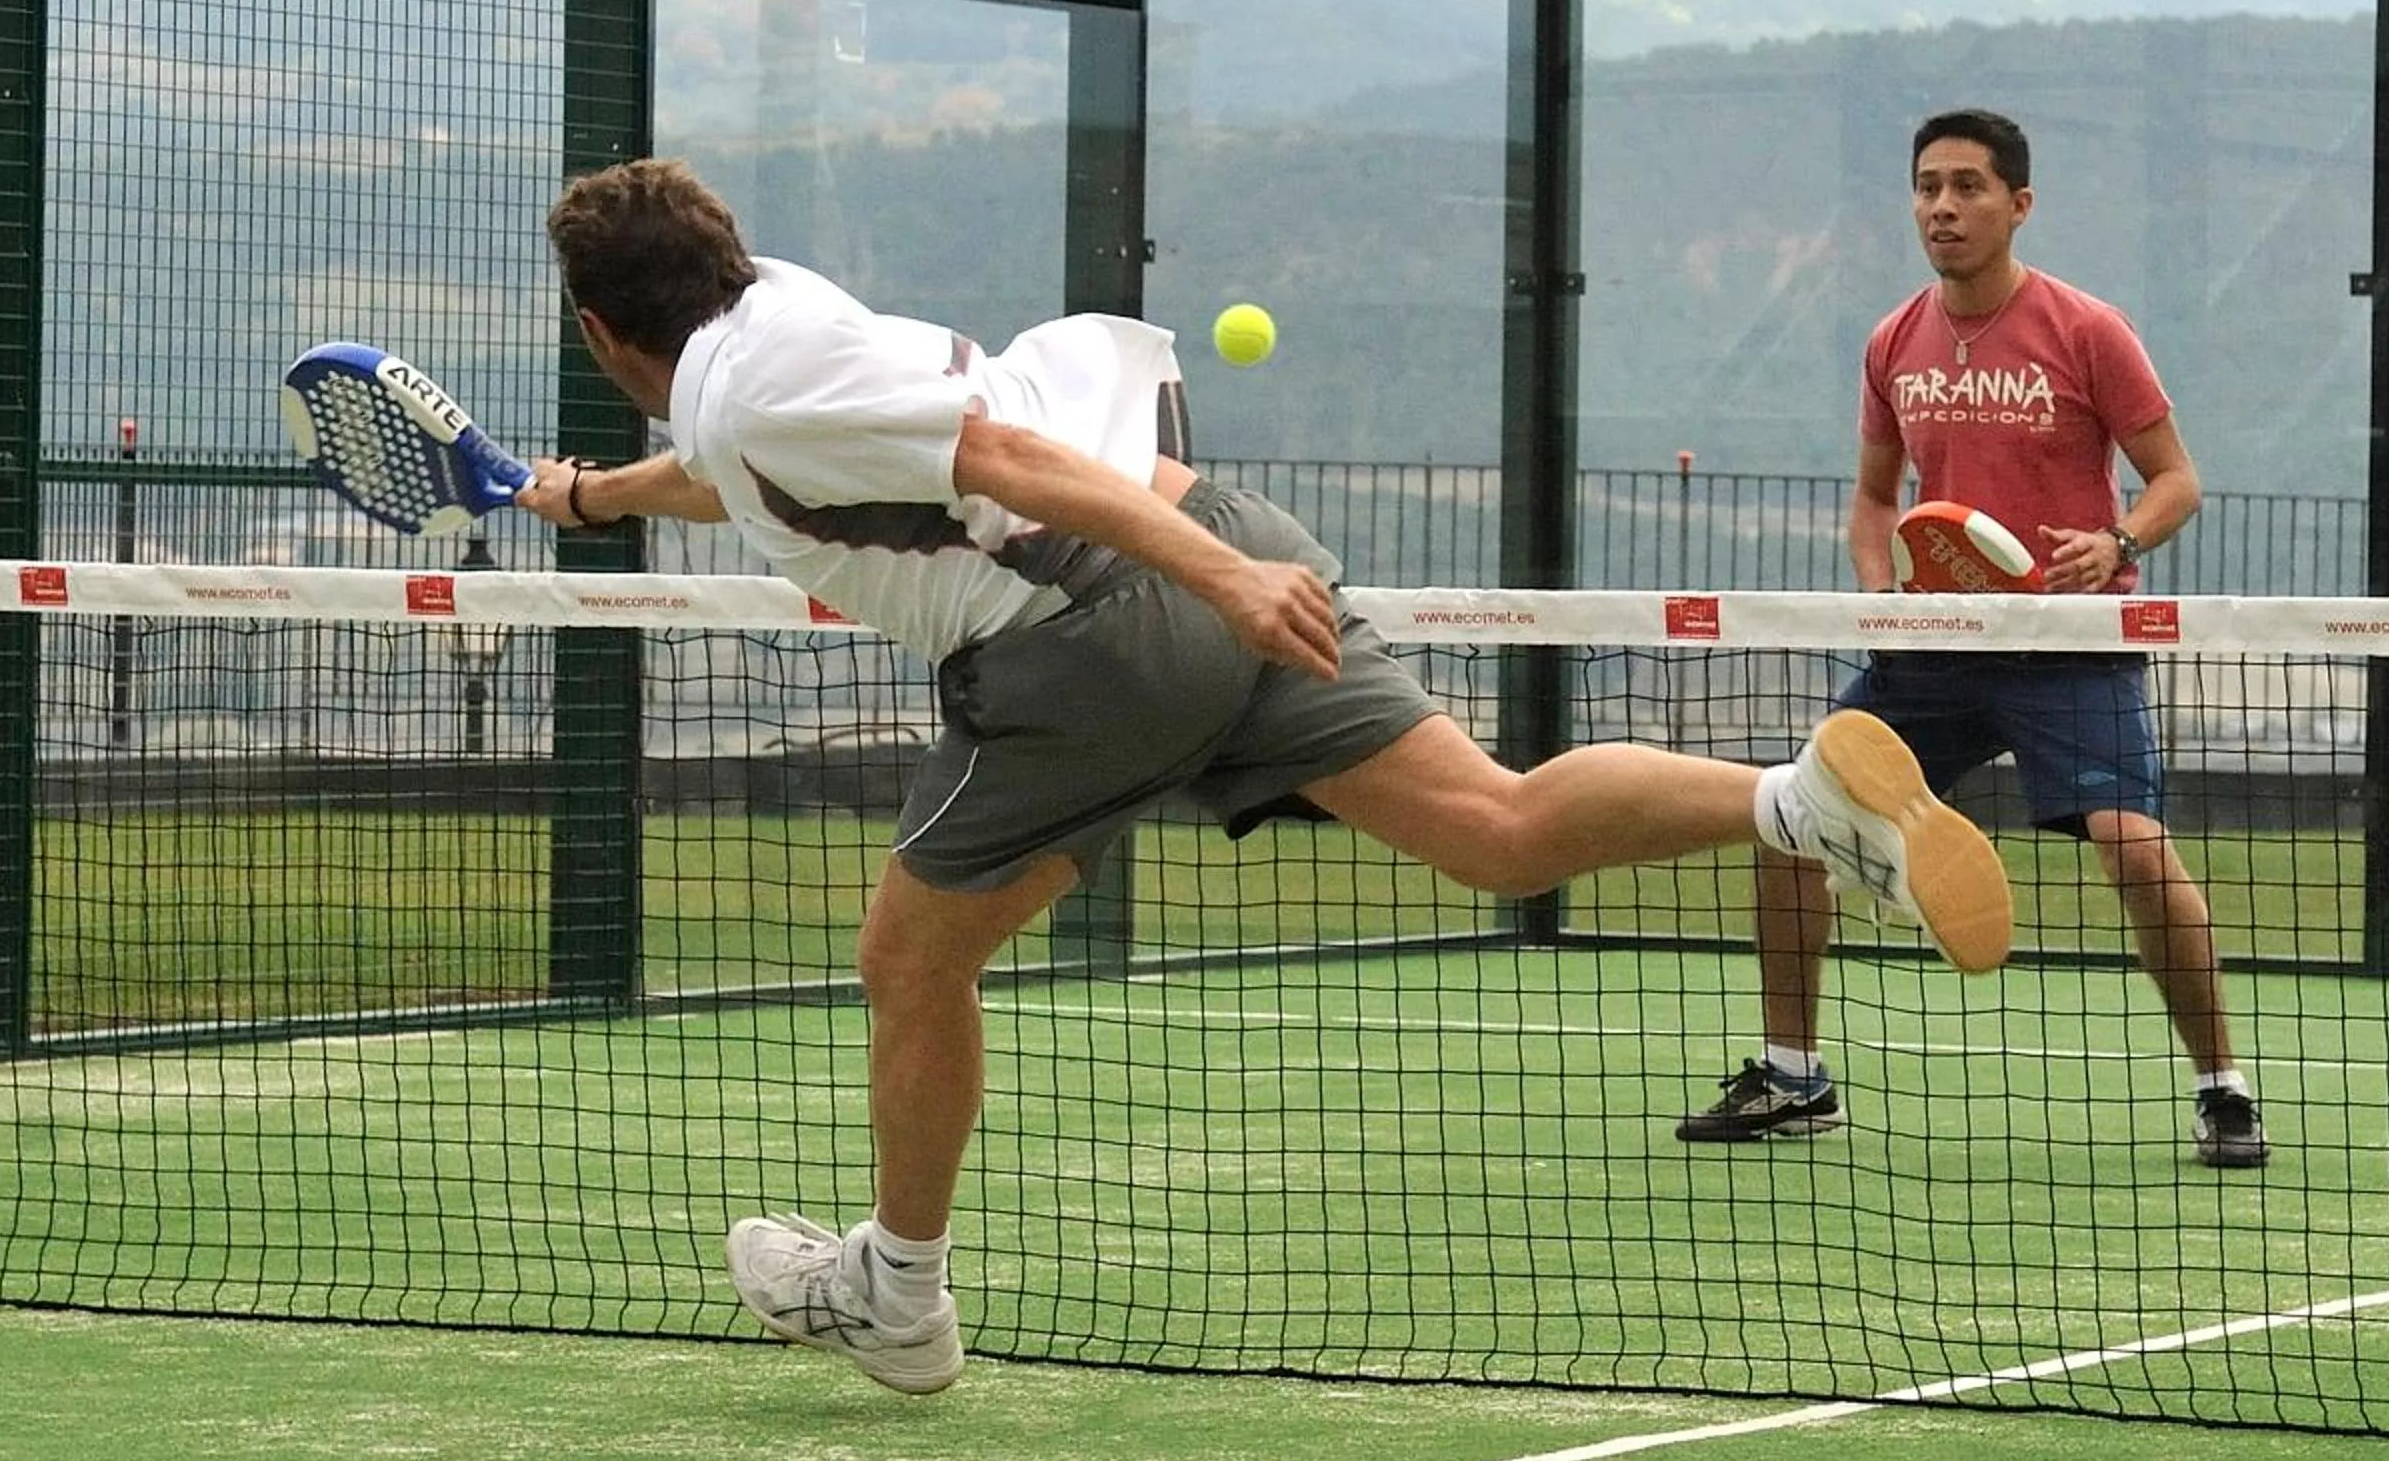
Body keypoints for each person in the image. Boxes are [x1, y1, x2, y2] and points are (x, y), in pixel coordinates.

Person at [527, 155, 2016, 1394]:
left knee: (910, 959)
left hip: (1093, 631)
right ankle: (1791, 806)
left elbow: (1004, 466)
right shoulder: (780, 313)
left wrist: (1224, 591)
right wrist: (592, 495)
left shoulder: (750, 387)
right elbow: (749, 460)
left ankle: (900, 1302)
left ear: (605, 334)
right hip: (1213, 527)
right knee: (1494, 826)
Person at [1677, 108, 2269, 1169]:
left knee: (2133, 847)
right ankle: (1794, 1075)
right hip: (1928, 652)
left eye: (1967, 187)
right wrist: (1880, 595)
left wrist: (2115, 538)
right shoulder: (1893, 340)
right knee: (1787, 820)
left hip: (2064, 643)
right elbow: (1871, 500)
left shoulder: (2088, 330)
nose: (1942, 207)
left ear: (2018, 204)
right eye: (1928, 187)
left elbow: (2177, 480)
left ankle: (2222, 1086)